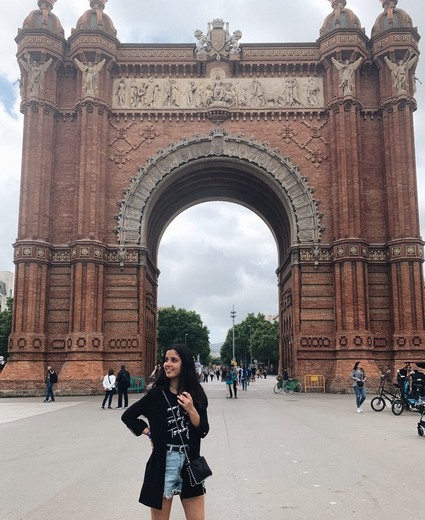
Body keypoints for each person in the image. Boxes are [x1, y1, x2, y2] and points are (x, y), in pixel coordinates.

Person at [122, 344, 209, 520]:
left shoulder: (196, 394)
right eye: (166, 360)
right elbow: (128, 416)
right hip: (164, 463)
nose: (167, 364)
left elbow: (203, 430)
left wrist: (191, 409)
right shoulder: (156, 395)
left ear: (185, 364)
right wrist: (148, 432)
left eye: (174, 360)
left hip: (189, 463)